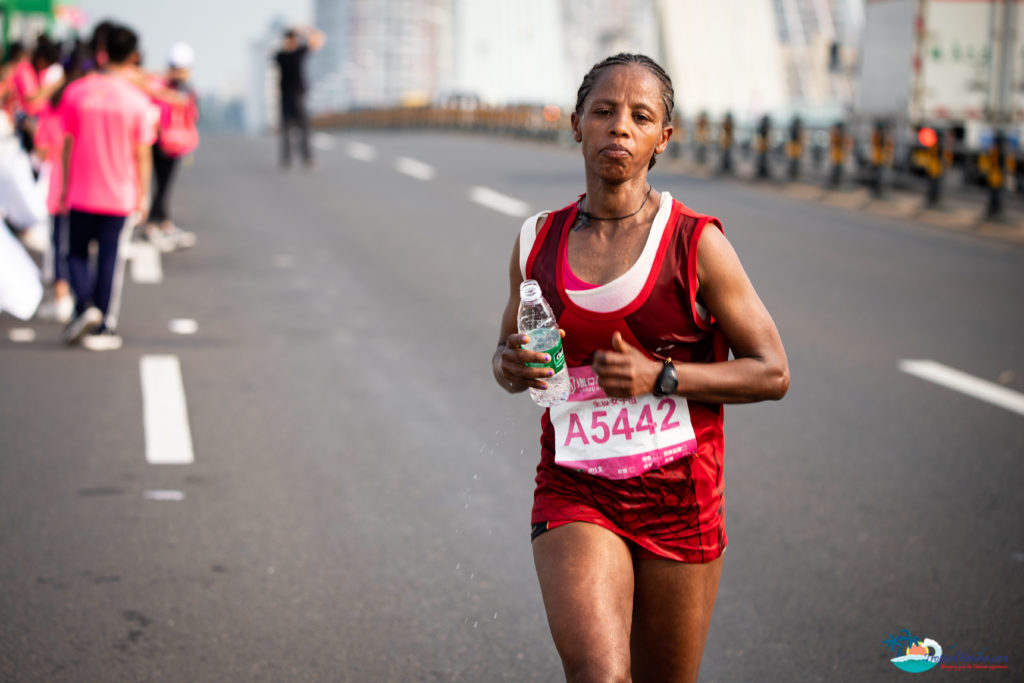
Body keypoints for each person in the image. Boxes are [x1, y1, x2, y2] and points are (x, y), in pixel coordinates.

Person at [492, 54, 789, 682]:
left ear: (663, 137)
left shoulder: (696, 242)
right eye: (603, 111)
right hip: (576, 488)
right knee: (600, 676)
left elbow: (771, 371)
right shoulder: (536, 241)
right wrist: (511, 364)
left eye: (640, 116)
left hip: (680, 496)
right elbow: (504, 357)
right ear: (576, 124)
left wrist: (663, 376)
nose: (619, 127)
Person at [59, 23, 155, 350]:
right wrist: (144, 196)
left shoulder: (77, 92)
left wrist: (64, 186)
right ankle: (102, 324)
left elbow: (67, 143)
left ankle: (83, 306)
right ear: (131, 57)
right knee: (109, 259)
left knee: (75, 253)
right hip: (119, 193)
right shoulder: (137, 101)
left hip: (82, 190)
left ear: (102, 52)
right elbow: (142, 154)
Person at [144, 41, 198, 251]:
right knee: (160, 182)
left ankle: (163, 222)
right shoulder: (159, 84)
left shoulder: (185, 88)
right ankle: (153, 224)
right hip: (159, 141)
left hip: (176, 142)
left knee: (165, 183)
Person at [274, 25, 324, 170]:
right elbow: (317, 40)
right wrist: (304, 31)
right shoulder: (284, 55)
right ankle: (289, 159)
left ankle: (306, 158)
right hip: (289, 97)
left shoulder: (289, 54)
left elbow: (318, 41)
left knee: (303, 129)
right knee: (290, 130)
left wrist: (302, 31)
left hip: (297, 96)